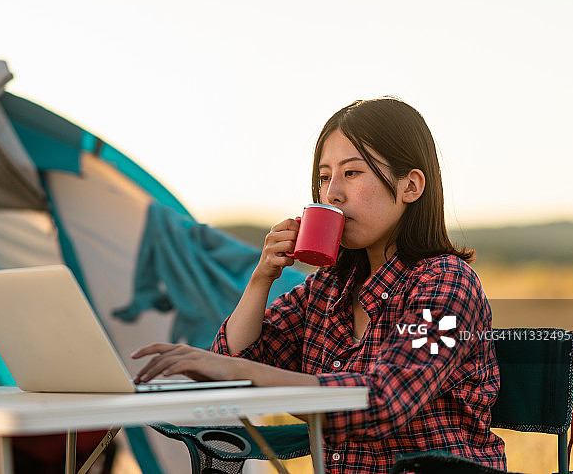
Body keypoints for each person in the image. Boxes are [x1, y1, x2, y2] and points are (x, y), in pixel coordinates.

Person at [132, 97, 506, 473]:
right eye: (324, 177)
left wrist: (240, 374)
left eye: (353, 173)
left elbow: (383, 401)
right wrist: (261, 278)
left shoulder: (447, 283)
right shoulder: (327, 290)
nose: (332, 194)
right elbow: (234, 366)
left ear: (410, 186)